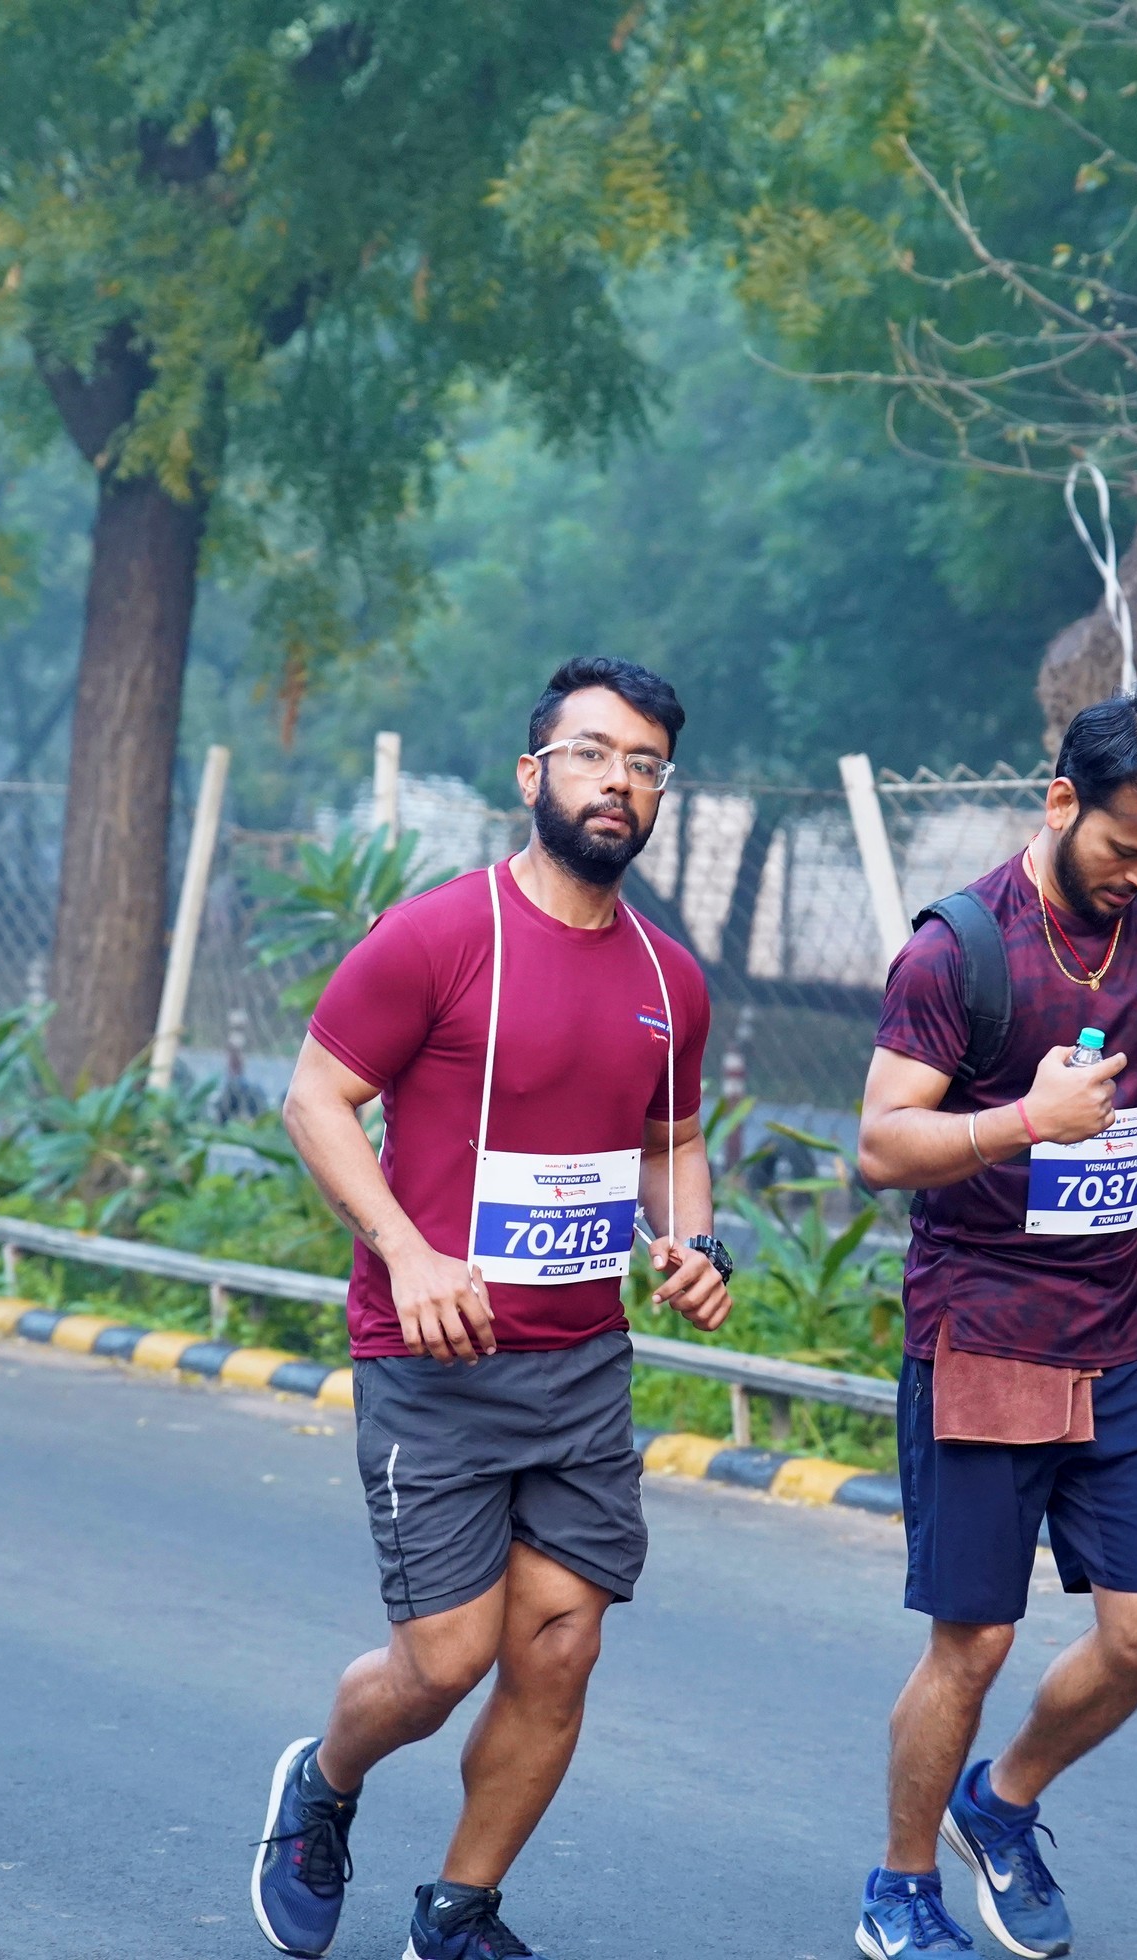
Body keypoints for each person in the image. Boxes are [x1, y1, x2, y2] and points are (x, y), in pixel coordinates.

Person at [258, 657, 733, 1960]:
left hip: (581, 1366)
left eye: (645, 764)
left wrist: (693, 1242)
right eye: (592, 753)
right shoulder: (438, 936)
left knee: (561, 1650)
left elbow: (674, 1141)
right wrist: (408, 1254)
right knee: (444, 1659)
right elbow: (315, 1099)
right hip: (435, 1359)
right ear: (534, 775)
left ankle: (459, 1910)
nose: (618, 781)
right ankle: (325, 1782)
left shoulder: (670, 980)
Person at [850, 691, 1137, 1959]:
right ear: (1061, 800)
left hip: (1120, 1337)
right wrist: (1022, 1120)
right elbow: (880, 1146)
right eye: (1125, 846)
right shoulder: (956, 949)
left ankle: (1002, 1801)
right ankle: (902, 1885)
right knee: (973, 1642)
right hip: (983, 1334)